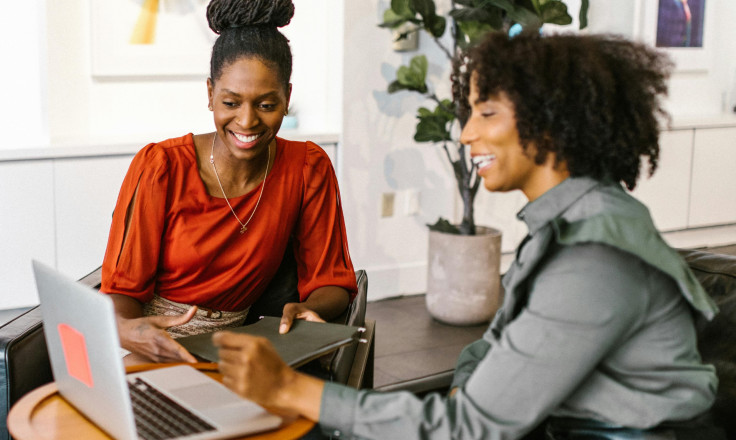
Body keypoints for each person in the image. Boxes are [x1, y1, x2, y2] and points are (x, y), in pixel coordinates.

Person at [212, 31, 727, 439]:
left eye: (487, 112)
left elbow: (474, 429)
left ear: (550, 122)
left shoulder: (593, 257)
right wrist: (466, 387)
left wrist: (290, 389)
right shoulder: (564, 227)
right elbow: (492, 351)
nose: (465, 133)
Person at [100, 0, 357, 365]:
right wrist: (126, 330)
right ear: (210, 94)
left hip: (236, 344)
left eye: (267, 105)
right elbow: (121, 289)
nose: (247, 121)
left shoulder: (308, 168)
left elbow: (332, 280)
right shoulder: (161, 166)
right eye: (231, 102)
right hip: (153, 340)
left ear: (287, 97)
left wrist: (308, 308)